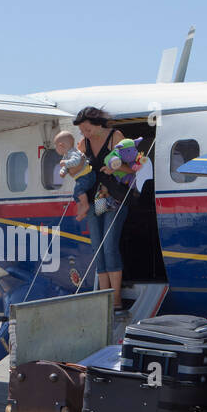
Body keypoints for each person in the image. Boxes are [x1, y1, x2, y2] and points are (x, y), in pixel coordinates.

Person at [72, 107, 133, 317]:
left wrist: (115, 168)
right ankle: (104, 294)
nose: (85, 134)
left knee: (109, 246)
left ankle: (115, 298)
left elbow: (132, 168)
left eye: (87, 129)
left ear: (98, 124)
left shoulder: (115, 137)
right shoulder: (83, 144)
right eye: (82, 131)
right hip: (93, 199)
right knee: (97, 248)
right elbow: (78, 170)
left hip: (113, 197)